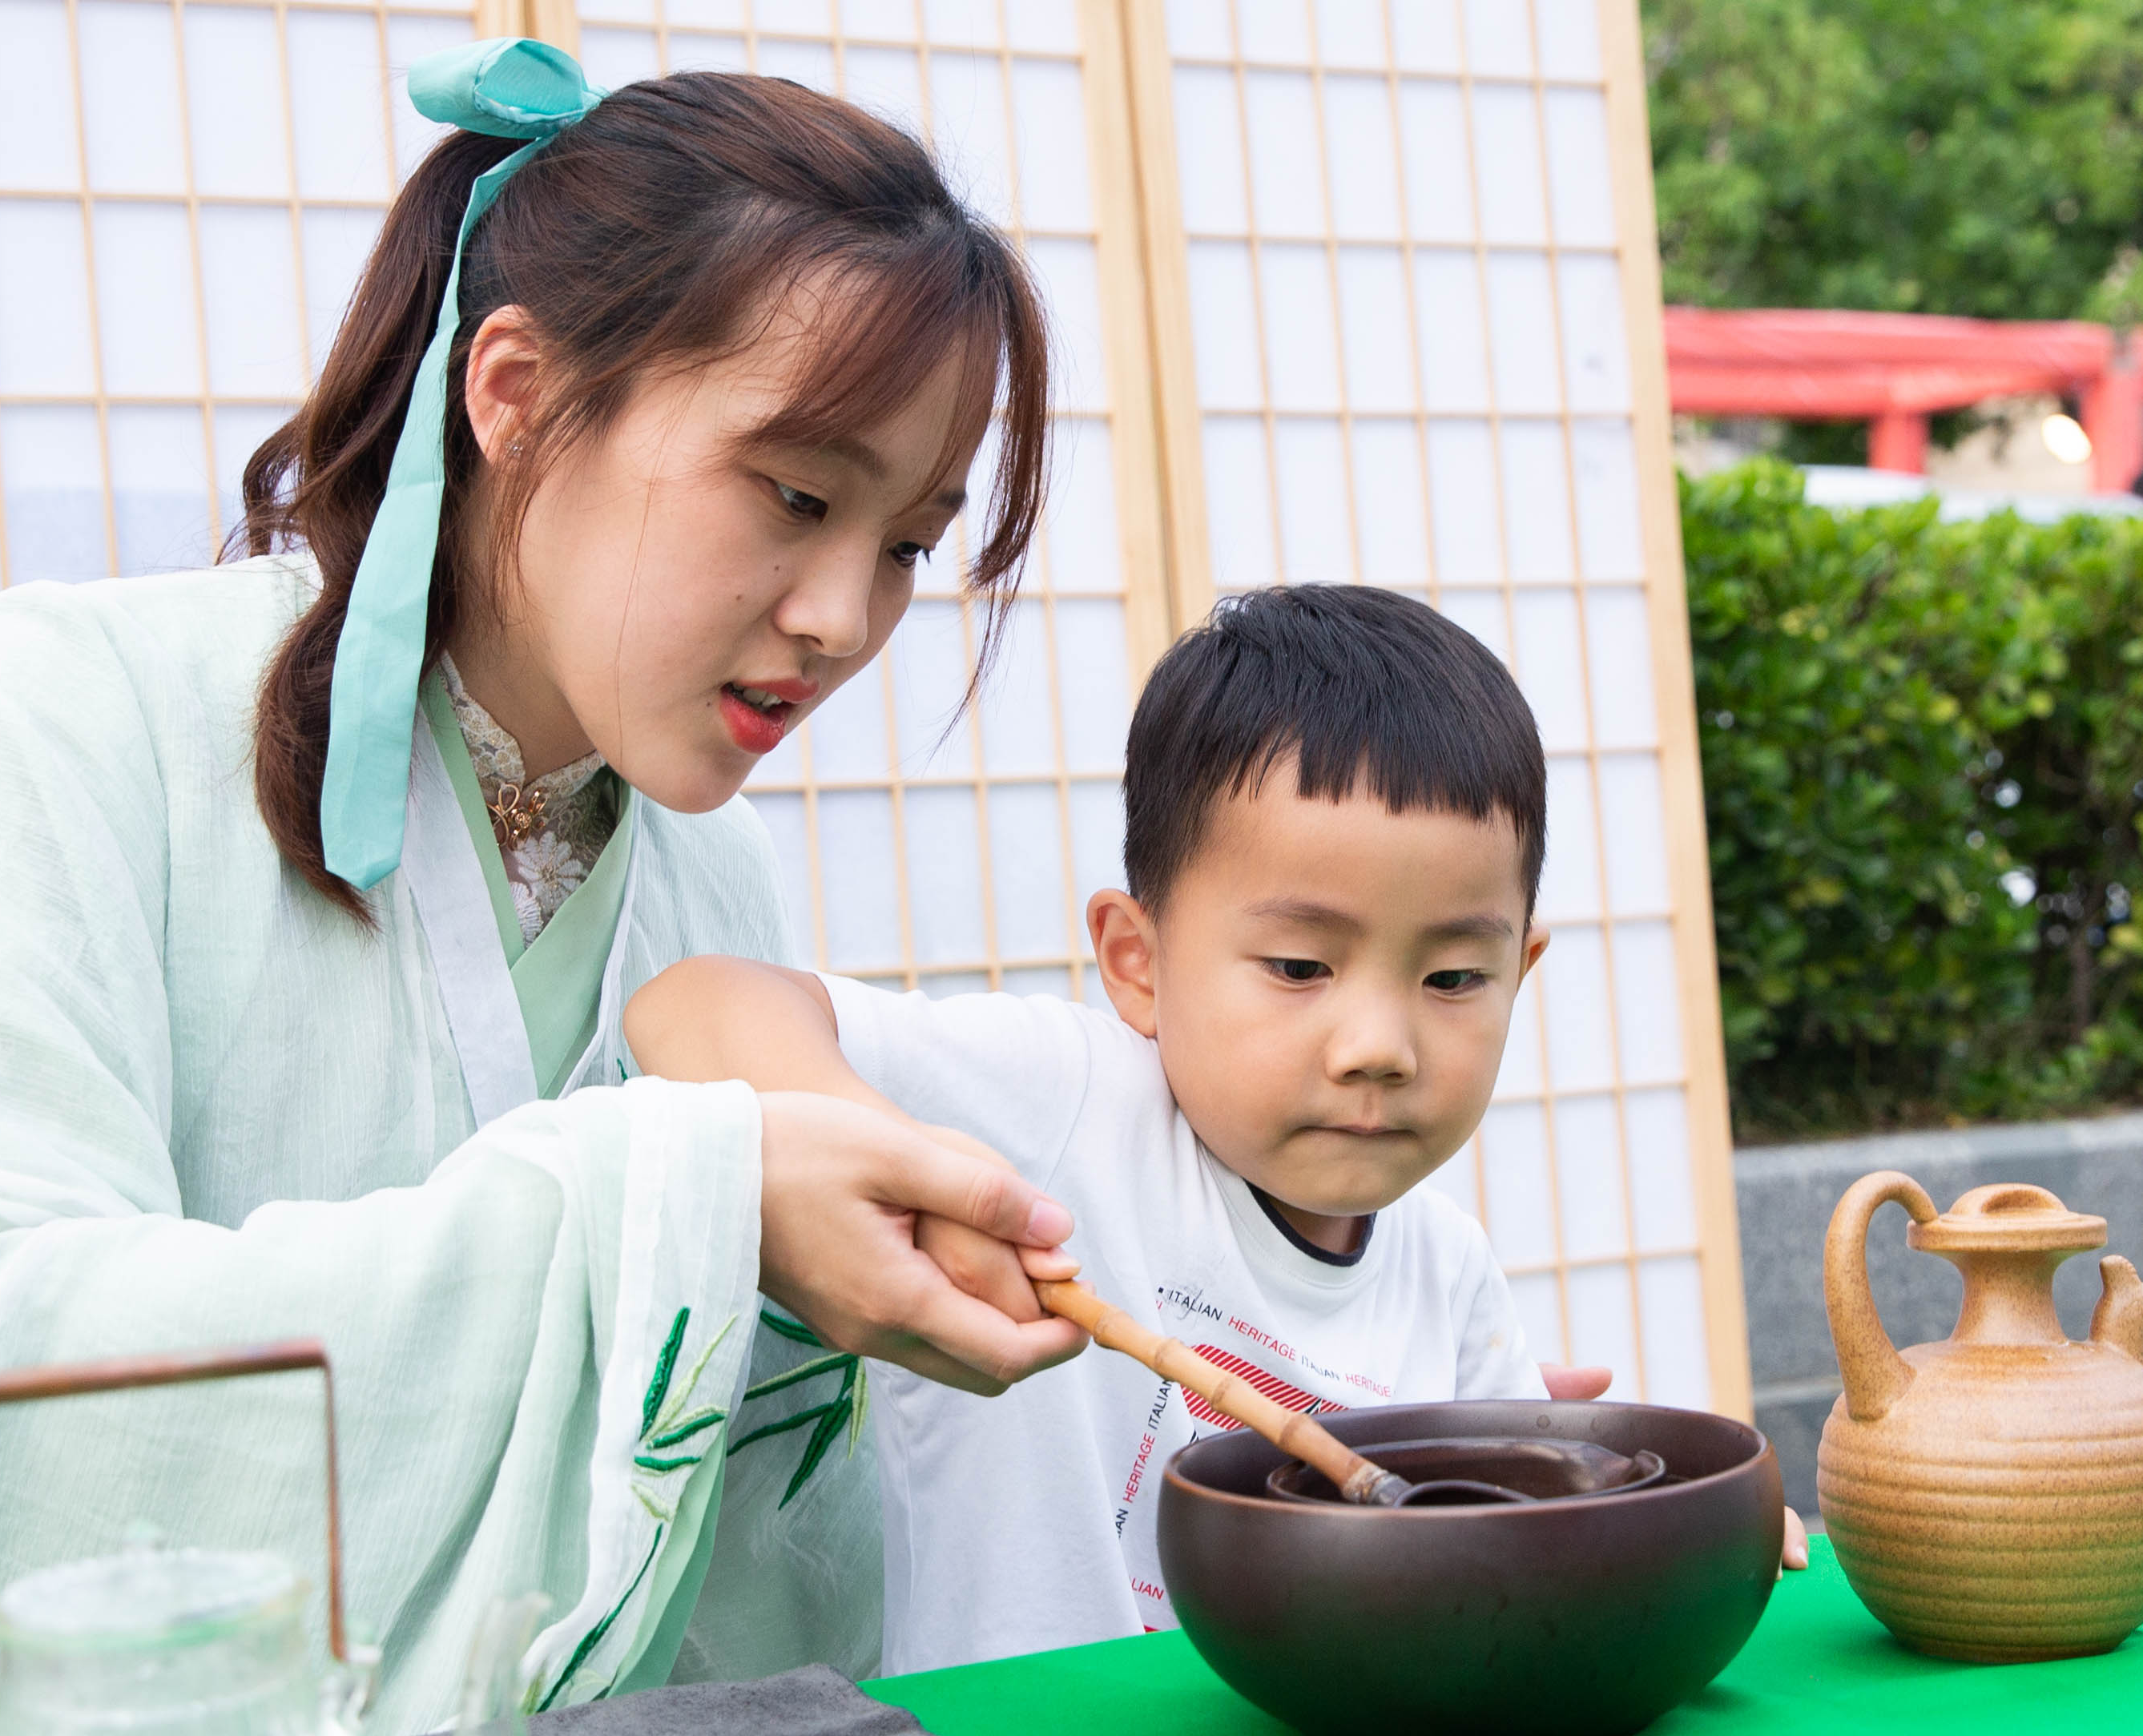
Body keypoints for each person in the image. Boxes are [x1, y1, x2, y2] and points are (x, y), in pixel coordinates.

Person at [0, 43, 1092, 1736]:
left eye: (905, 542)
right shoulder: (59, 715)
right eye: (795, 496)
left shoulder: (712, 884)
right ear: (519, 391)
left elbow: (723, 1600)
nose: (841, 618)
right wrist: (670, 1203)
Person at [622, 587, 1599, 1672]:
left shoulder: (1449, 1272)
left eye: (1455, 975)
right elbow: (689, 1003)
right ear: (1137, 961)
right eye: (1299, 967)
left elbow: (1522, 1561)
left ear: (1522, 970)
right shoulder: (1070, 1105)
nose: (1379, 1044)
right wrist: (886, 1158)